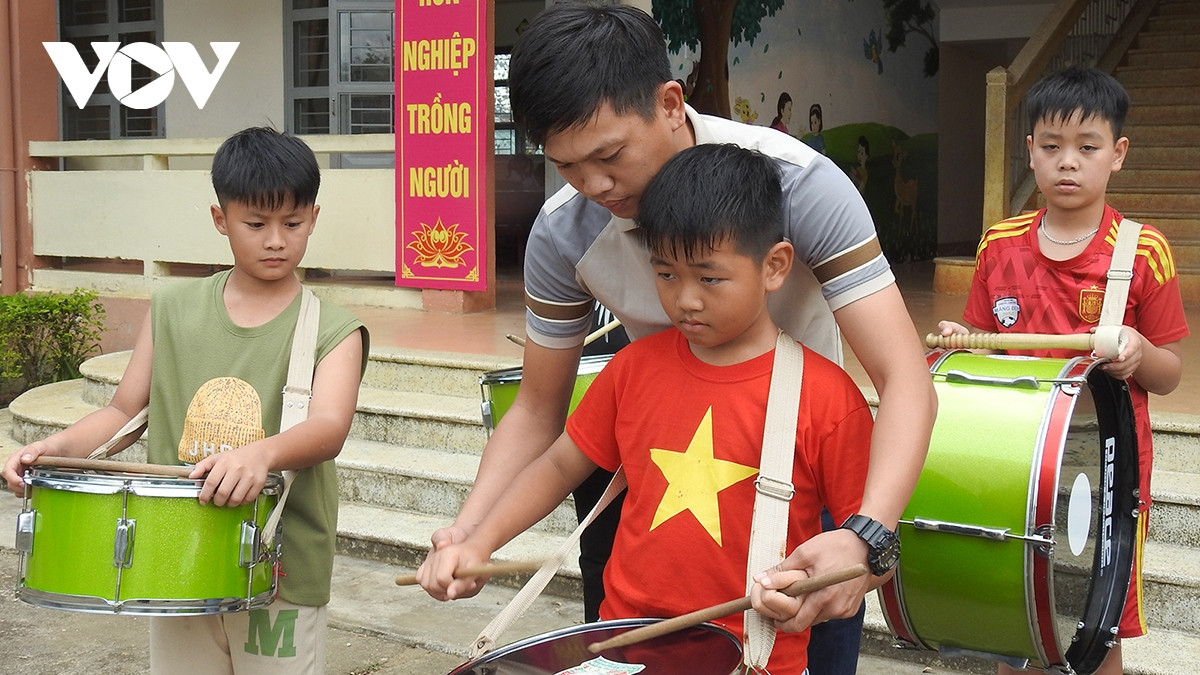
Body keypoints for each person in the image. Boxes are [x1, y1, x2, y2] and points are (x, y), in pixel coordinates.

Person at [426, 3, 936, 671]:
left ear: (670, 104)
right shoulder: (561, 232)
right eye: (569, 168)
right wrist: (469, 534)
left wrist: (869, 536)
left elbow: (904, 377)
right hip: (663, 472)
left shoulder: (799, 188)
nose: (595, 186)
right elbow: (537, 411)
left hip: (795, 482)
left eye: (609, 155)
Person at [419, 143, 876, 674]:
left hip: (753, 660)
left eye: (709, 277)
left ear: (773, 266)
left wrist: (815, 587)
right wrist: (479, 541)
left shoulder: (826, 397)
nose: (685, 299)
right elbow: (558, 464)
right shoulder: (633, 369)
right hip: (623, 650)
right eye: (666, 274)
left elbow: (866, 551)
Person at [2, 127, 370, 674]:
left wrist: (261, 454)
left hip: (278, 566)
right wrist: (53, 449)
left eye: (292, 224)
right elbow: (121, 410)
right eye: (255, 224)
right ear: (220, 220)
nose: (275, 241)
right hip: (176, 554)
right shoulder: (172, 309)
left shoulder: (333, 329)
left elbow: (329, 427)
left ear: (313, 218)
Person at [937, 66, 1188, 675]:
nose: (1067, 163)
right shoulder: (999, 245)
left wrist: (1138, 353)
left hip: (1106, 468)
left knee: (1099, 623)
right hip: (1011, 462)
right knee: (1011, 605)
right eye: (1051, 148)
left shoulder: (1143, 249)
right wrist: (961, 347)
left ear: (1118, 154)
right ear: (1030, 152)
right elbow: (985, 346)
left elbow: (1170, 372)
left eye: (1087, 147)